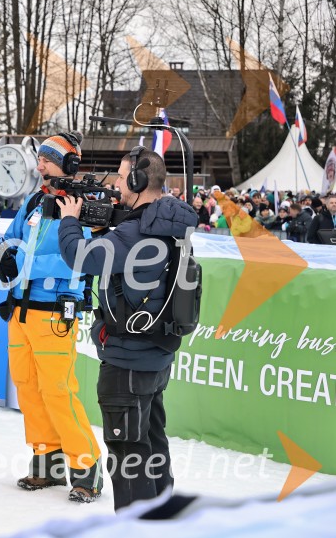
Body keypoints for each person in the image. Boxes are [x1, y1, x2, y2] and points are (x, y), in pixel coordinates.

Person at [57, 146, 198, 511]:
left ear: (137, 180)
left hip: (127, 359)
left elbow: (81, 256)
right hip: (155, 353)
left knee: (126, 451)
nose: (116, 185)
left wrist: (70, 220)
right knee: (150, 442)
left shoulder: (135, 233)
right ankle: (162, 515)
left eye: (120, 177)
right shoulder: (169, 224)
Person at [0, 133, 103, 504]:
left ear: (69, 165)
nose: (39, 165)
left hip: (55, 313)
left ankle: (86, 467)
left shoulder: (83, 206)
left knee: (59, 390)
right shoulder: (34, 201)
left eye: (47, 159)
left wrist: (21, 262)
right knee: (27, 386)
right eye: (39, 159)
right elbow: (11, 240)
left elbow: (74, 256)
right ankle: (47, 459)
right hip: (20, 311)